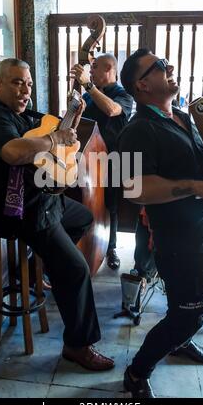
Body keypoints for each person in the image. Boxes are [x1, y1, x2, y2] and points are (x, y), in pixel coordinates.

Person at [0, 58, 114, 371]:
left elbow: (55, 134)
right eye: (17, 82)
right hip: (21, 212)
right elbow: (14, 152)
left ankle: (43, 265)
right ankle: (78, 345)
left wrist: (71, 123)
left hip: (44, 201)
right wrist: (55, 140)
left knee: (84, 218)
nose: (25, 90)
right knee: (76, 270)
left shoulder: (22, 113)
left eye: (29, 84)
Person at [118, 48, 203, 398]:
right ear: (141, 85)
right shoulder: (135, 131)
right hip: (185, 246)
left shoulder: (183, 116)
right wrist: (193, 188)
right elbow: (131, 188)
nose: (169, 68)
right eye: (159, 66)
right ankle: (137, 372)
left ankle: (181, 341)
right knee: (187, 314)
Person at [70, 54, 133, 270]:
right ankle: (85, 245)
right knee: (86, 204)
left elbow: (111, 110)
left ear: (109, 68)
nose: (91, 70)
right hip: (87, 161)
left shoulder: (124, 94)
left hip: (113, 158)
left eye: (94, 67)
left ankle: (111, 247)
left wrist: (87, 84)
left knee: (110, 205)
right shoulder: (88, 96)